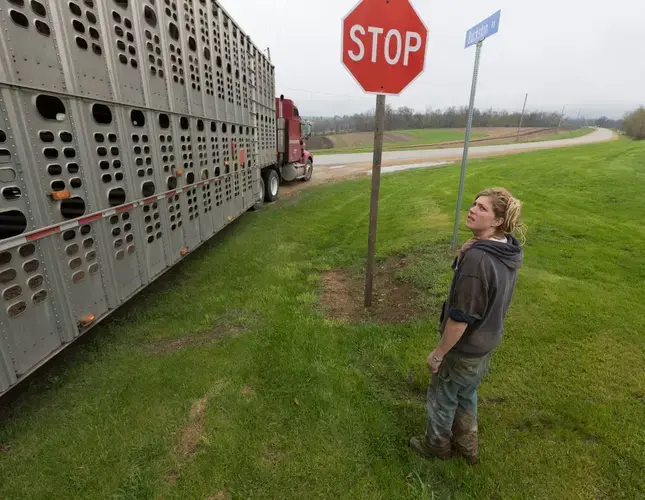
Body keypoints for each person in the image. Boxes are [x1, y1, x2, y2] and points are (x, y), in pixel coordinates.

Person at [409, 187, 526, 465]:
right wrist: (465, 251)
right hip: (487, 342)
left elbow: (461, 317)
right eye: (474, 204)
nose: (472, 209)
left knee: (442, 395)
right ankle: (467, 445)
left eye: (482, 208)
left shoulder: (479, 260)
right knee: (465, 393)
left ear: (497, 221)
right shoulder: (505, 248)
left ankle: (436, 445)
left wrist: (438, 354)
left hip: (465, 347)